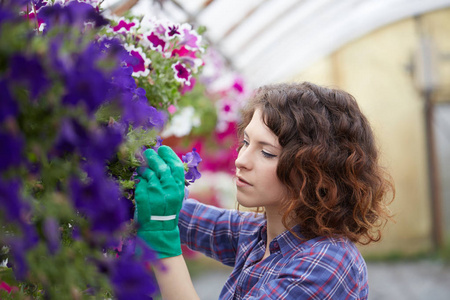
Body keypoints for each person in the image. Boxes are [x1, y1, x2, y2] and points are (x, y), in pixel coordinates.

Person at [134, 82, 394, 299]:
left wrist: (164, 245)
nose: (240, 160)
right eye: (245, 142)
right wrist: (136, 180)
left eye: (267, 152)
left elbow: (166, 224)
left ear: (317, 171)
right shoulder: (261, 236)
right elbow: (185, 216)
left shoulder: (327, 264)